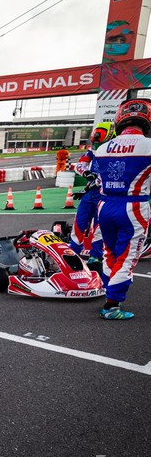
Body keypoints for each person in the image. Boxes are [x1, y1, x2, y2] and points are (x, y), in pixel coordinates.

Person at [90, 98, 151, 320]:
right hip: (134, 205)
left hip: (105, 205)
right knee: (127, 257)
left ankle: (109, 294)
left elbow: (95, 174)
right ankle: (112, 305)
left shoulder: (103, 148)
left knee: (110, 252)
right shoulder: (149, 145)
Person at [70, 122, 115, 264]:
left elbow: (107, 176)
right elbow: (79, 164)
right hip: (90, 194)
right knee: (79, 224)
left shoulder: (116, 151)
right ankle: (72, 255)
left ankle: (95, 257)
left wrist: (90, 185)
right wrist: (86, 172)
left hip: (105, 195)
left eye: (98, 139)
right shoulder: (92, 150)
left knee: (99, 228)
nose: (95, 142)